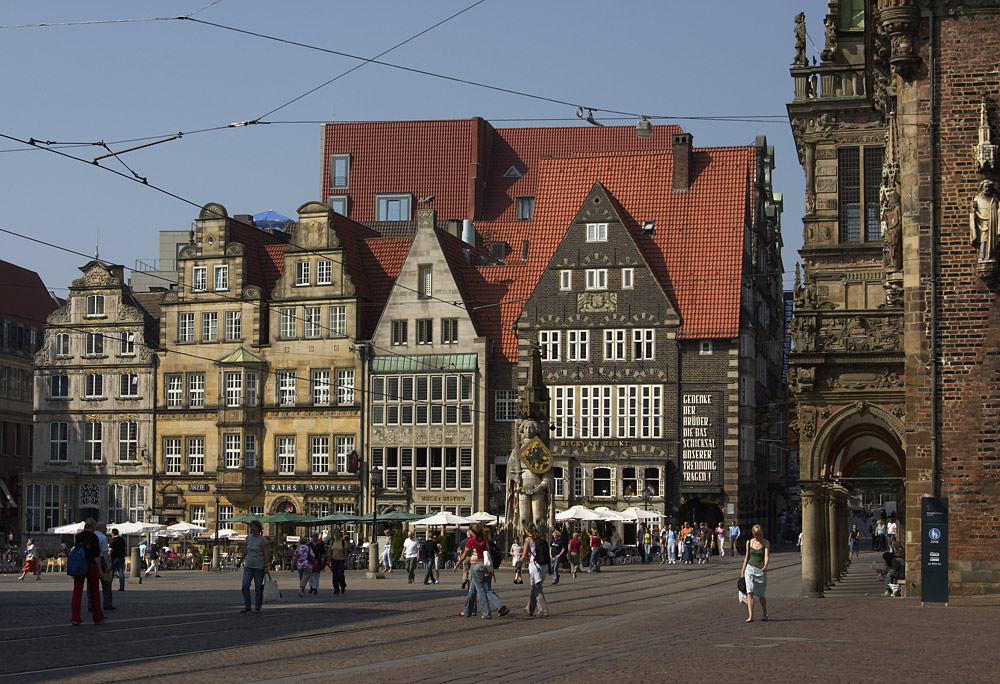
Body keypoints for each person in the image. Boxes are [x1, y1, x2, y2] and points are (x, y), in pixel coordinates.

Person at [71, 519, 106, 626]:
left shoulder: (78, 536)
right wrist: (100, 570)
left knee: (77, 591)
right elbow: (96, 556)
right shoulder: (94, 537)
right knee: (94, 592)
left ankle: (75, 618)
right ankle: (97, 617)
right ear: (94, 526)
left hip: (79, 565)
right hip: (91, 565)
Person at [454, 523, 492, 619]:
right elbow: (488, 553)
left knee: (481, 590)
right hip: (483, 565)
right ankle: (467, 611)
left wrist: (457, 565)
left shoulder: (471, 541)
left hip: (475, 566)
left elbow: (463, 556)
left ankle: (486, 613)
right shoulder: (484, 540)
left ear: (473, 531)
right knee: (471, 589)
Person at [741, 524, 770, 622]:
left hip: (760, 570)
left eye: (759, 535)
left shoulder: (766, 543)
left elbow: (766, 556)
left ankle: (765, 612)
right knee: (750, 592)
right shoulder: (749, 542)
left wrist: (765, 565)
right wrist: (743, 569)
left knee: (761, 595)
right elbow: (747, 556)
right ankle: (751, 616)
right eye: (756, 535)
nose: (757, 537)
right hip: (749, 569)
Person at [520, 525, 549, 617]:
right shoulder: (542, 539)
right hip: (544, 565)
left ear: (528, 531)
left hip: (534, 565)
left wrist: (519, 566)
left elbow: (524, 555)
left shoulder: (528, 540)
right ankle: (530, 609)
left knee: (537, 587)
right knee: (534, 587)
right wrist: (550, 567)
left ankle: (543, 610)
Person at [241, 520, 269, 613]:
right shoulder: (248, 538)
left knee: (258, 587)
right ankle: (247, 605)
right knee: (245, 585)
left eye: (254, 527)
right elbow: (246, 551)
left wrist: (266, 566)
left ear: (258, 528)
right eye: (251, 527)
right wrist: (240, 560)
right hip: (248, 565)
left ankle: (257, 607)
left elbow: (266, 554)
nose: (252, 529)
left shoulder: (263, 540)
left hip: (259, 566)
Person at [95, 523, 115, 612]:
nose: (106, 529)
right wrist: (108, 565)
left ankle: (91, 604)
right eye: (105, 528)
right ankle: (107, 604)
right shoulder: (102, 538)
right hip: (102, 560)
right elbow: (105, 552)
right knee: (106, 583)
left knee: (92, 584)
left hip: (92, 561)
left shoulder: (92, 536)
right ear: (100, 528)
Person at [328, 527, 348, 594]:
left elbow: (345, 552)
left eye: (337, 532)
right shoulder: (332, 542)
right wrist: (329, 560)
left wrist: (345, 561)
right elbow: (330, 551)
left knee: (340, 574)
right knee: (334, 575)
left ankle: (343, 585)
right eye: (335, 533)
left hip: (341, 560)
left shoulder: (343, 542)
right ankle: (336, 589)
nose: (336, 534)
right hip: (334, 560)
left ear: (340, 534)